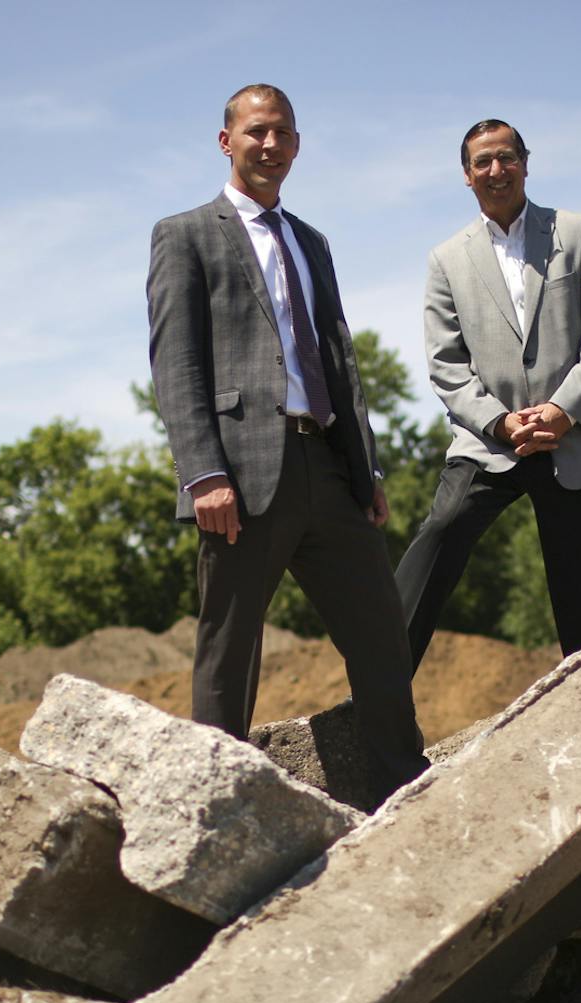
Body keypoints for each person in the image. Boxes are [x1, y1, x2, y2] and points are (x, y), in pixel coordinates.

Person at [146, 83, 427, 789]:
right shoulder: (185, 234)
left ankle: (405, 787)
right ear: (227, 141)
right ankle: (213, 808)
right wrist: (202, 473)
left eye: (284, 135)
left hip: (327, 467)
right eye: (257, 132)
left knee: (381, 633)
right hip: (239, 478)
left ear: (297, 146)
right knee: (229, 650)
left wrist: (366, 471)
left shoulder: (311, 241)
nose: (270, 146)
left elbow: (338, 357)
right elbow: (176, 363)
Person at [395, 119, 581, 669]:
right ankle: (375, 689)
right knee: (439, 537)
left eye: (507, 158)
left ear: (526, 162)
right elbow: (445, 363)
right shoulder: (446, 259)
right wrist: (500, 423)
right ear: (466, 175)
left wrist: (562, 411)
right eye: (483, 162)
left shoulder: (577, 232)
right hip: (489, 442)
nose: (496, 171)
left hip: (575, 437)